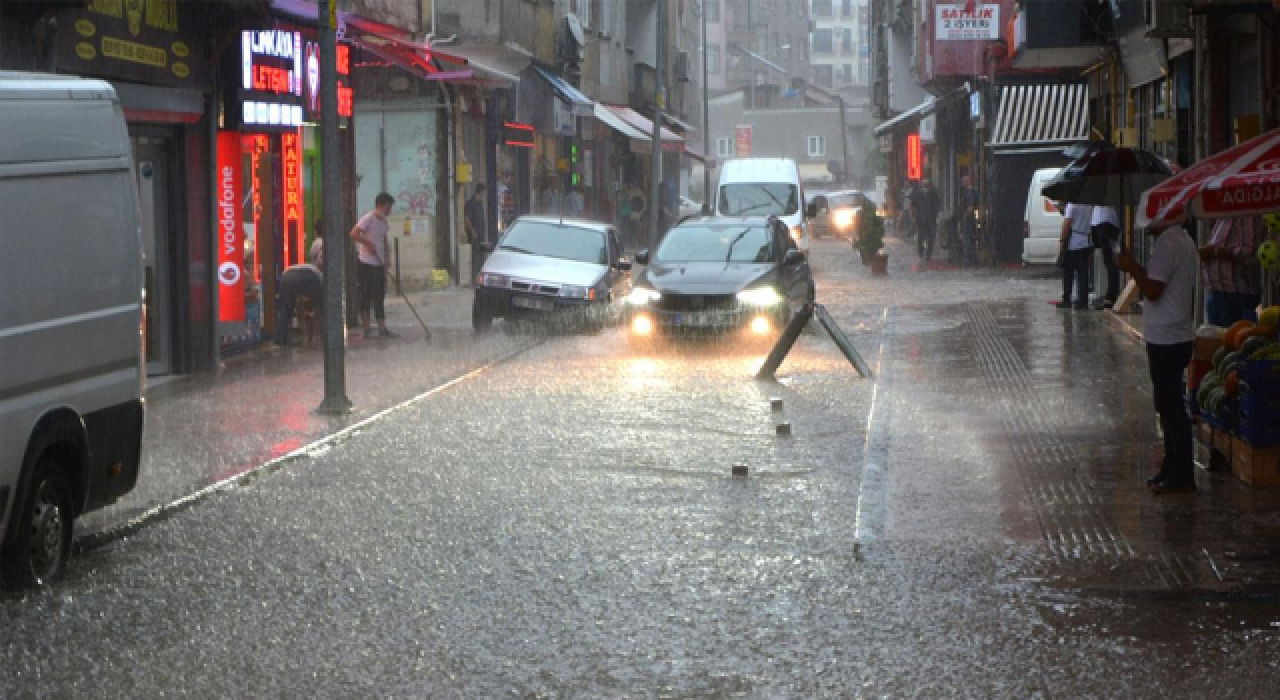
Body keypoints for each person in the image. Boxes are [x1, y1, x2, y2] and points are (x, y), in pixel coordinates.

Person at [1117, 222, 1198, 493]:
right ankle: (1172, 464)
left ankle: (1181, 472)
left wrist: (1132, 267)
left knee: (1171, 405)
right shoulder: (1181, 239)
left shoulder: (1168, 243)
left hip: (1167, 337)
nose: (1144, 223)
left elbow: (1153, 289)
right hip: (1173, 333)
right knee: (1167, 403)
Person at [1200, 215, 1263, 327]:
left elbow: (1250, 254)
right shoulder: (1223, 215)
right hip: (1216, 294)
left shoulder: (1247, 215)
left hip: (1237, 297)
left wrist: (1215, 252)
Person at [349, 192, 396, 340]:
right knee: (366, 295)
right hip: (366, 263)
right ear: (380, 206)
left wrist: (387, 258)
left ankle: (382, 328)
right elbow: (354, 234)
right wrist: (368, 244)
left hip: (379, 263)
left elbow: (384, 240)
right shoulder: (368, 218)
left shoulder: (383, 222)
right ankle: (367, 328)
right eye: (388, 208)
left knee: (379, 296)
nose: (389, 211)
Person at [274, 261, 323, 347]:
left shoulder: (310, 269)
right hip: (309, 276)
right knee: (319, 308)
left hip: (287, 276)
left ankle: (281, 339)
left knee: (286, 309)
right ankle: (315, 336)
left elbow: (300, 304)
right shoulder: (319, 276)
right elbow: (317, 307)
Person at [1057, 203, 1093, 310]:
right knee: (1083, 273)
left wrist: (1062, 241)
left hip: (1073, 243)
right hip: (1086, 242)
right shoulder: (1089, 205)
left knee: (1068, 273)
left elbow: (1067, 223)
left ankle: (1066, 300)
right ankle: (1083, 301)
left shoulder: (1072, 205)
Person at [1090, 206, 1122, 309]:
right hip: (1104, 223)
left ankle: (1111, 296)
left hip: (1104, 223)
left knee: (1110, 262)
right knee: (1107, 261)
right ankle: (1109, 293)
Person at [911, 179, 940, 260]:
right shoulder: (917, 194)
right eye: (924, 184)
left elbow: (937, 204)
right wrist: (913, 216)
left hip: (931, 219)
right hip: (921, 219)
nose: (925, 185)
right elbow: (912, 205)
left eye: (926, 184)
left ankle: (928, 253)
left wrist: (936, 214)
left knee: (930, 237)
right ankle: (921, 252)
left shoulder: (933, 193)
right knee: (921, 236)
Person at [956, 175, 979, 266]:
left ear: (968, 182)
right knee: (970, 239)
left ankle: (968, 260)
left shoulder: (969, 193)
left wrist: (965, 216)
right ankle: (971, 259)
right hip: (971, 220)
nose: (962, 183)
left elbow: (970, 206)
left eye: (963, 181)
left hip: (968, 220)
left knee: (967, 239)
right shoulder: (972, 192)